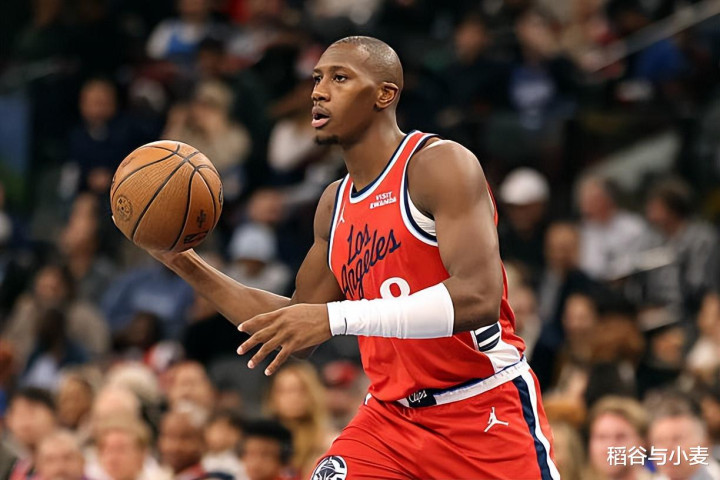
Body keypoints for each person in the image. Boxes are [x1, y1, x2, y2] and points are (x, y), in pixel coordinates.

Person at [142, 36, 557, 479]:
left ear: (385, 94)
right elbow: (296, 326)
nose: (319, 91)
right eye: (317, 79)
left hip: (480, 407)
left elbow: (478, 298)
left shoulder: (439, 166)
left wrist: (336, 317)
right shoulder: (333, 204)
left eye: (340, 78)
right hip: (389, 420)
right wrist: (182, 260)